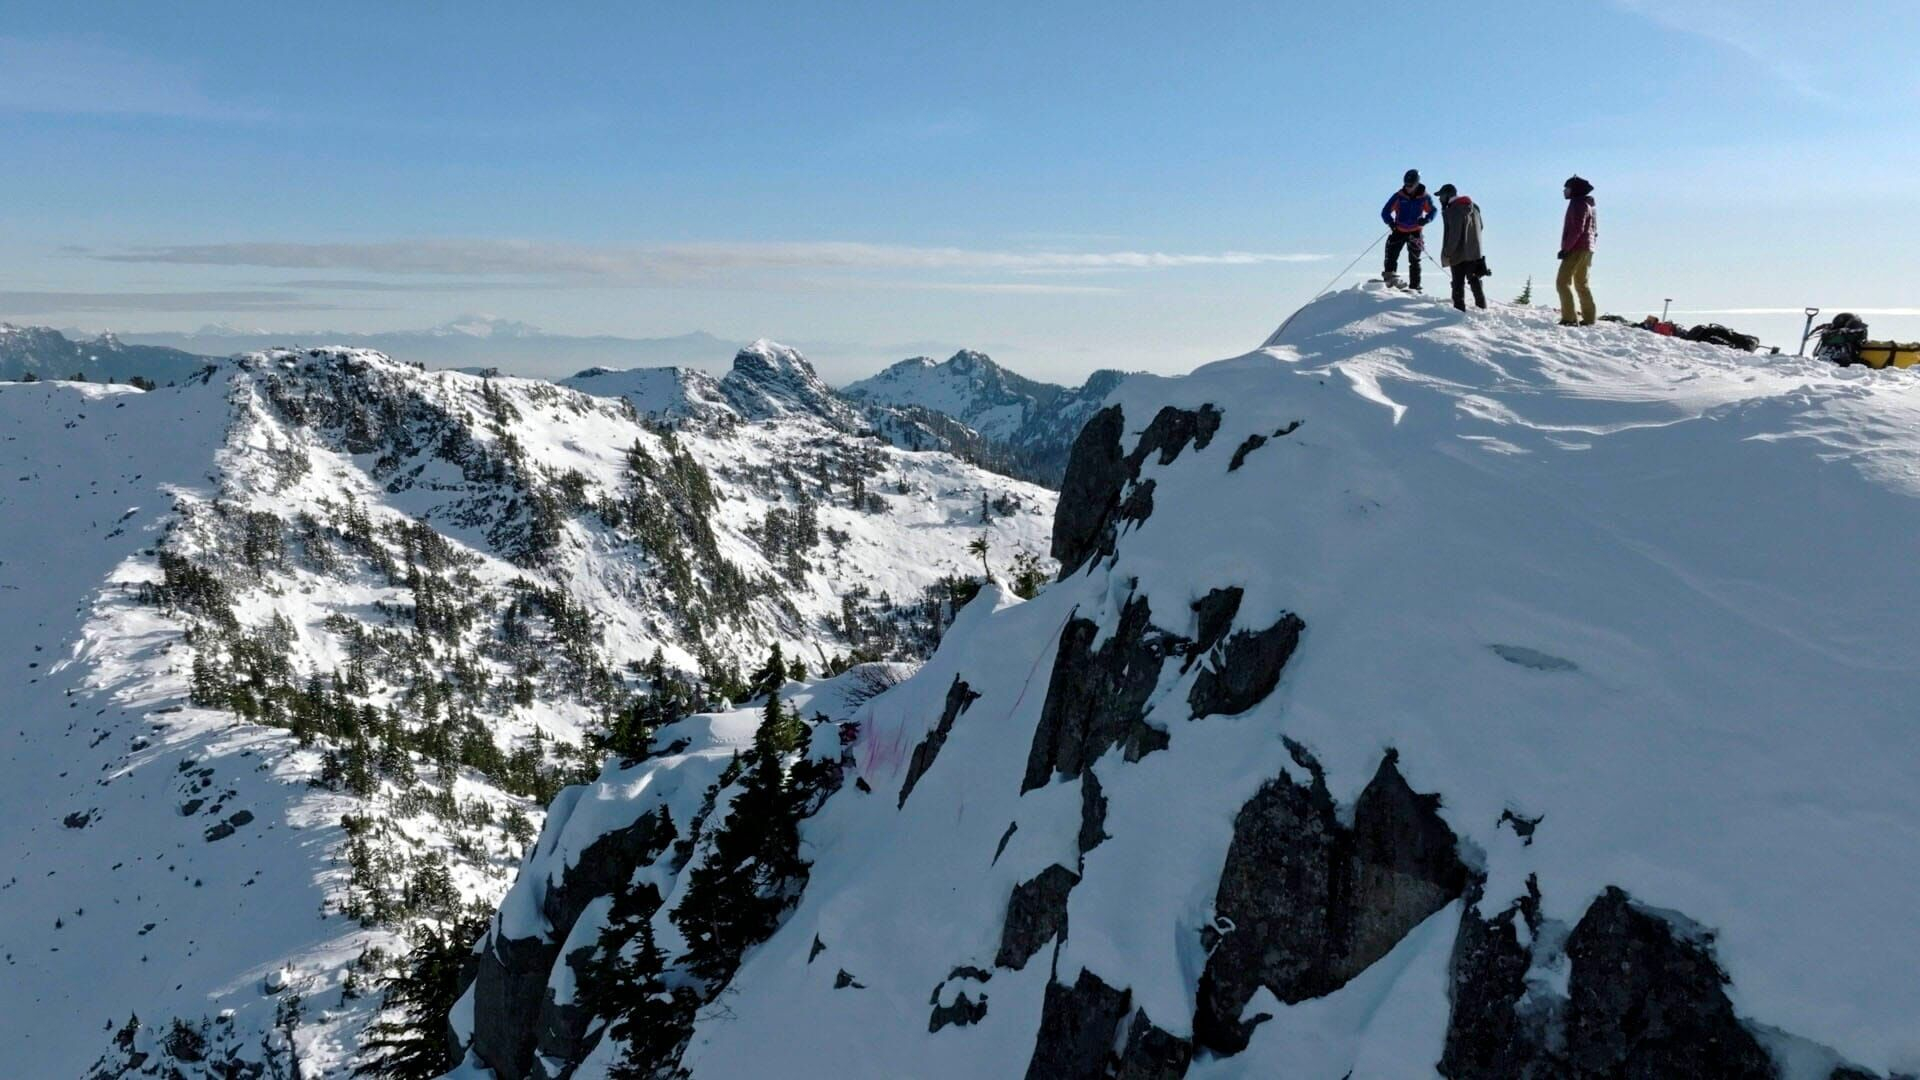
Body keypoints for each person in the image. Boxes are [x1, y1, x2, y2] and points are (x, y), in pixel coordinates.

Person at [1435, 183, 1488, 311]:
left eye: (1441, 196)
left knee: (1458, 284)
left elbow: (1454, 234)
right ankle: (1482, 309)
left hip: (1458, 254)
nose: (1439, 199)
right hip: (1474, 253)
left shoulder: (1453, 210)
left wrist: (1448, 252)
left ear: (1447, 195)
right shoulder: (1474, 207)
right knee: (1475, 281)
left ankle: (1458, 313)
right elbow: (1481, 227)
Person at [1380, 169, 1436, 291]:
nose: (1408, 187)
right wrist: (1390, 222)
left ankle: (1415, 287)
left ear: (1417, 184)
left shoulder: (1424, 197)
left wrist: (1426, 220)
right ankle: (1390, 280)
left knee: (1415, 260)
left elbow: (1433, 211)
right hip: (1399, 230)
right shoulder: (1399, 196)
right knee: (1391, 255)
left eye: (1410, 185)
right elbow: (1385, 211)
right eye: (1406, 184)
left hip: (1415, 231)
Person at [1557, 175, 1597, 326]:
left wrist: (1566, 249)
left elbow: (1576, 229)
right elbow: (1593, 230)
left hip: (1577, 247)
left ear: (1574, 190)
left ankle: (1569, 318)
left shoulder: (1577, 204)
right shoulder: (1589, 205)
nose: (1564, 191)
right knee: (1581, 283)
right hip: (1588, 248)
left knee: (1562, 282)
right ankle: (1589, 318)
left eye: (1567, 188)